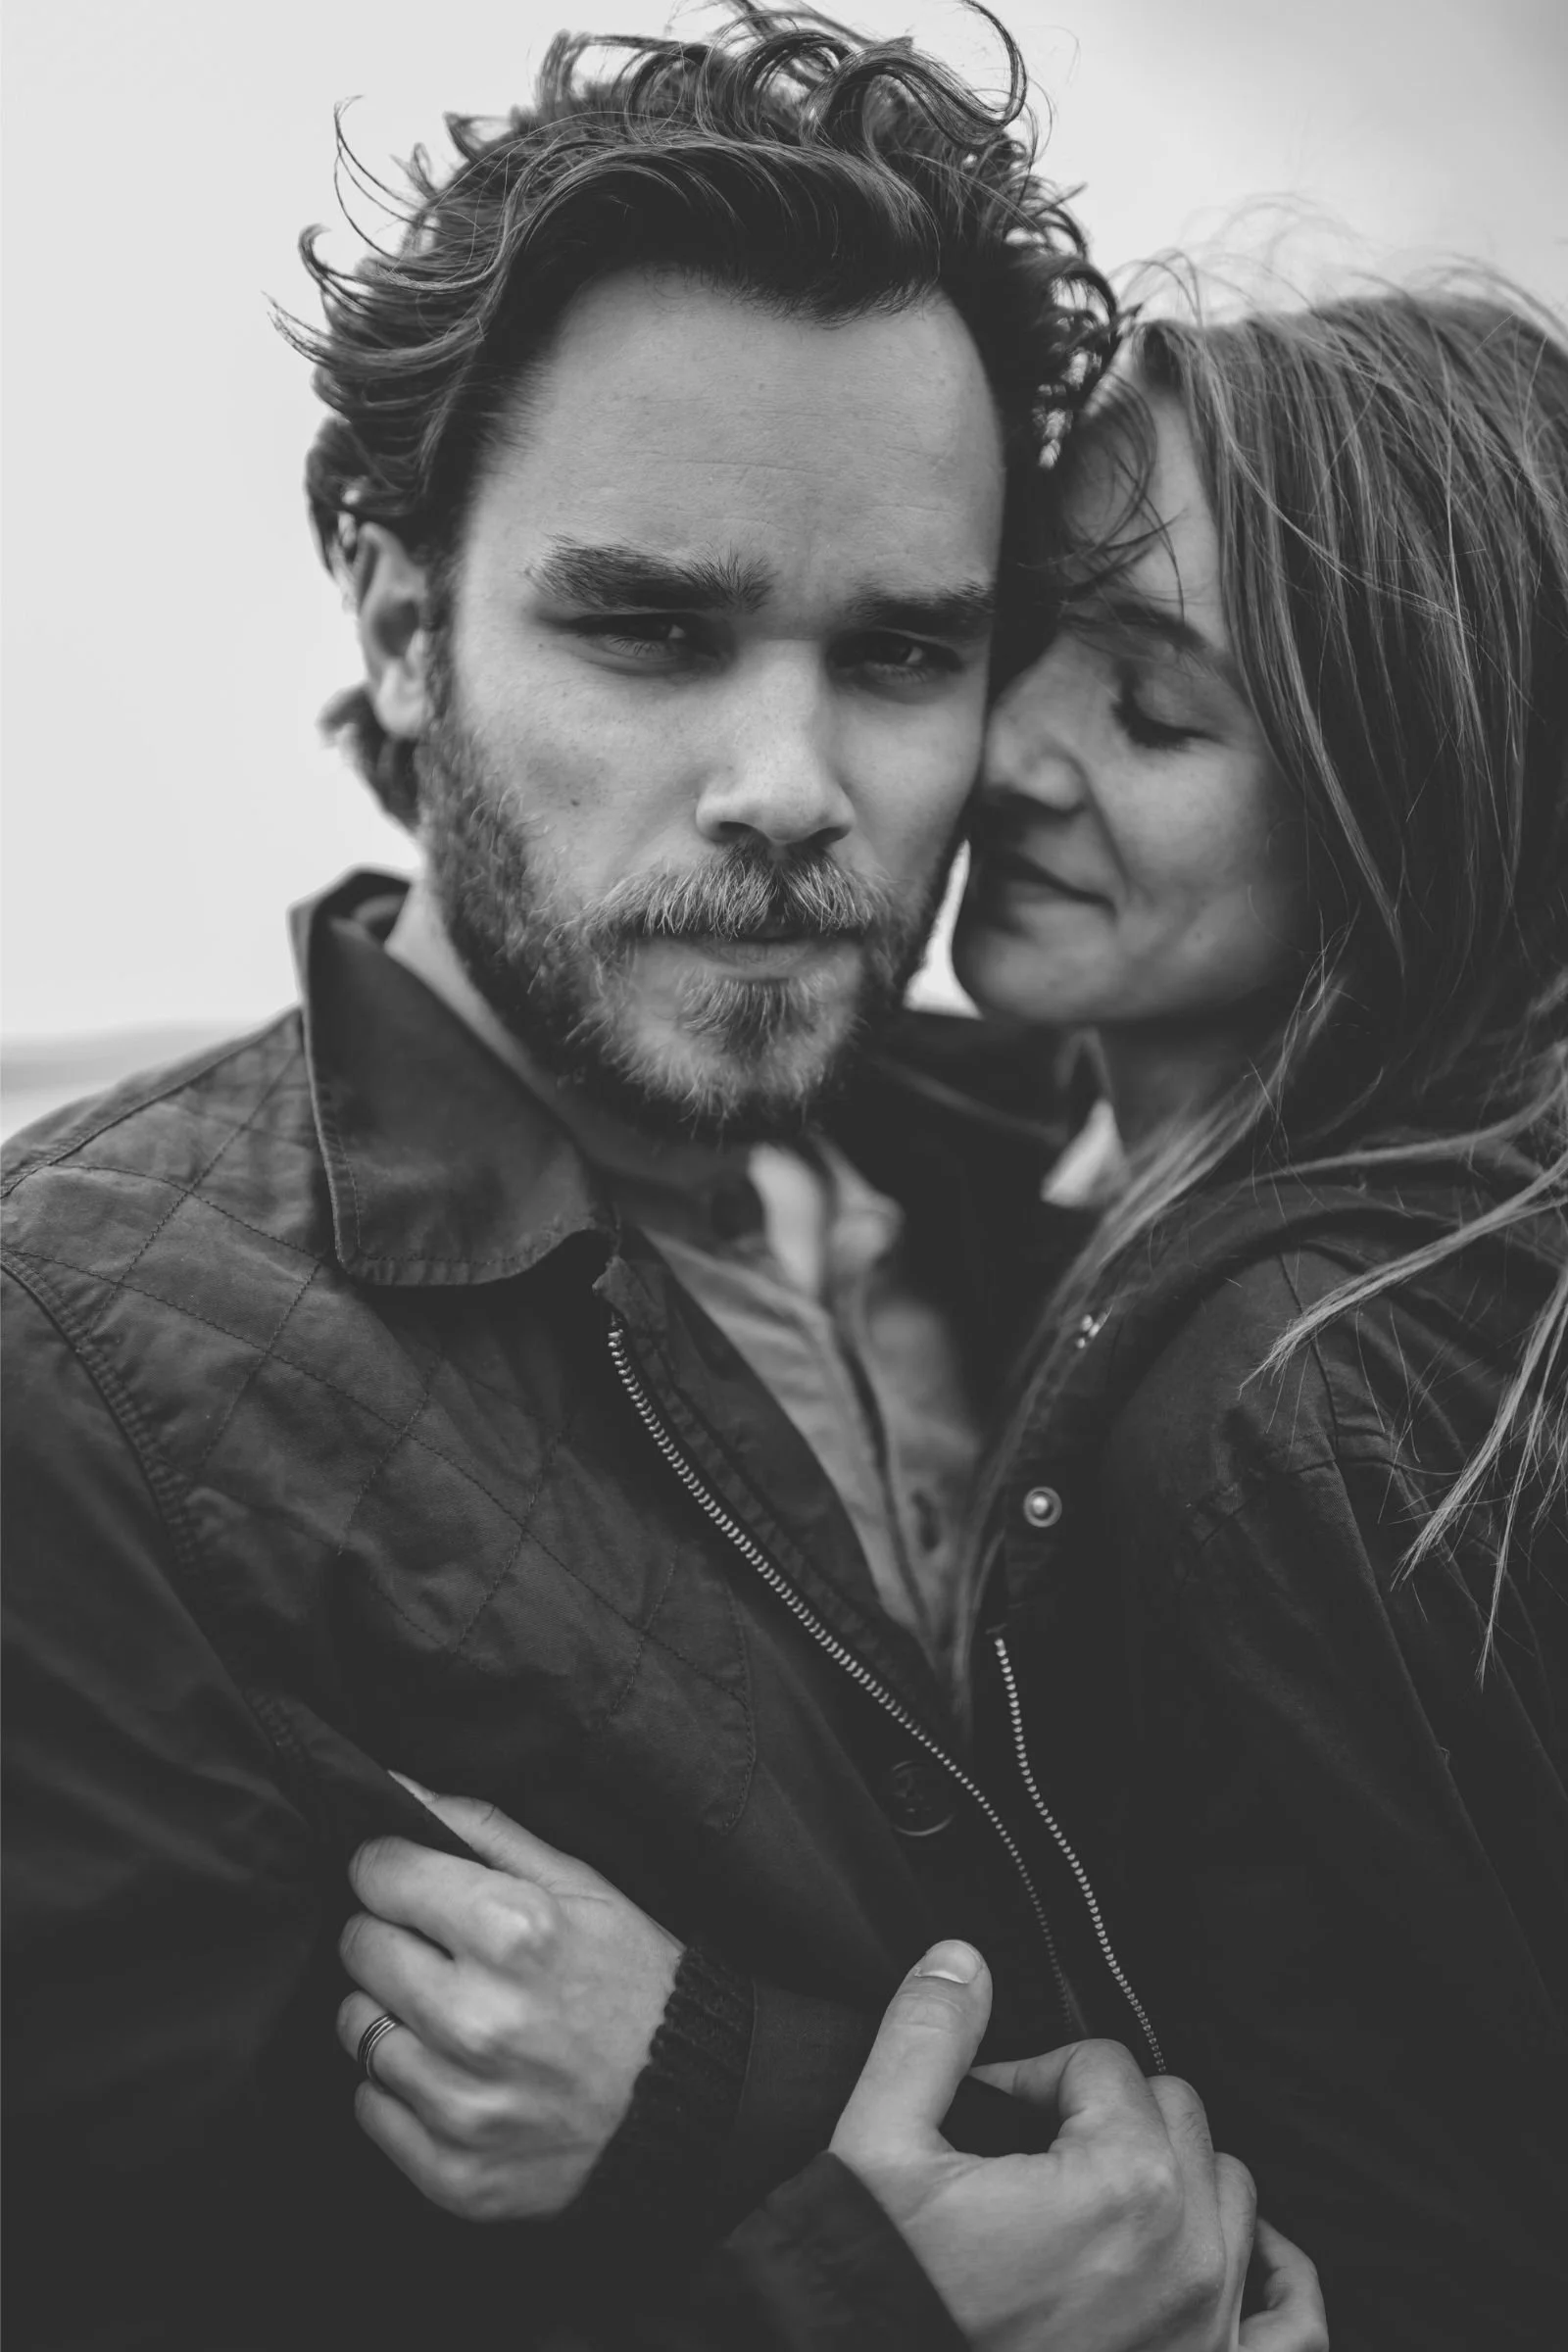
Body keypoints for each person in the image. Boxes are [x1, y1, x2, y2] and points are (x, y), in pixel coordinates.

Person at [0, 10, 1326, 2348]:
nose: (789, 783)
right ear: (403, 625)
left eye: (902, 650)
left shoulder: (1079, 1176)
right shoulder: (73, 1375)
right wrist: (865, 2304)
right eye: (651, 627)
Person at [340, 283, 1568, 2351]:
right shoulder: (1049, 1155)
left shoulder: (1302, 1389)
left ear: (1410, 823)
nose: (1002, 753)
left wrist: (709, 2086)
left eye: (1157, 715)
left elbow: (1390, 2226)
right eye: (1015, 637)